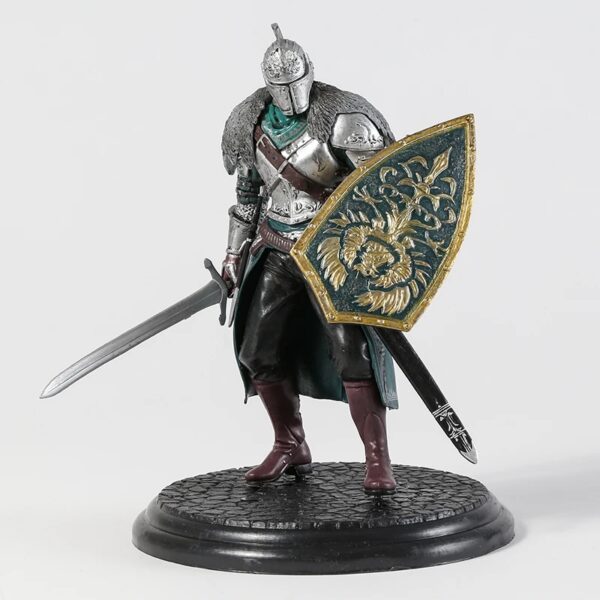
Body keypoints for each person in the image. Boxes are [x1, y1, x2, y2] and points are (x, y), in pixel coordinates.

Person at [220, 24, 398, 493]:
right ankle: (289, 443)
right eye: (278, 86)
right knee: (256, 351)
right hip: (276, 248)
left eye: (294, 82)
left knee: (353, 355)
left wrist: (367, 251)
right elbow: (246, 198)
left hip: (330, 254)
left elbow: (380, 193)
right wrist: (233, 256)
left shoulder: (344, 118)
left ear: (309, 73)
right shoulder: (250, 124)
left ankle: (377, 458)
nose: (288, 93)